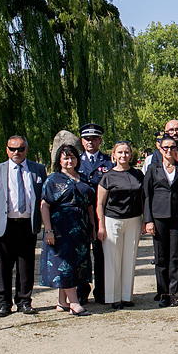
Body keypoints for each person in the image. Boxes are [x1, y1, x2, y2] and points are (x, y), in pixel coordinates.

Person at [0, 135, 46, 317]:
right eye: (12, 149)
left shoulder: (38, 170)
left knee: (25, 266)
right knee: (4, 267)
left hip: (27, 225)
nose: (16, 152)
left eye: (20, 149)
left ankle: (24, 301)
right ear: (7, 150)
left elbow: (42, 196)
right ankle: (4, 303)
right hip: (4, 226)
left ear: (27, 149)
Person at [40, 144, 97, 317]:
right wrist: (48, 230)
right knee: (65, 265)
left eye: (72, 157)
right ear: (59, 160)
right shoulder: (53, 179)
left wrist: (93, 227)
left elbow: (89, 205)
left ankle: (62, 301)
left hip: (81, 226)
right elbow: (44, 205)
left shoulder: (84, 178)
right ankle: (74, 303)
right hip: (61, 227)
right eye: (65, 157)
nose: (69, 161)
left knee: (78, 263)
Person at [143, 119, 178, 299]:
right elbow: (147, 195)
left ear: (177, 149)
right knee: (160, 257)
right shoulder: (153, 168)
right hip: (158, 217)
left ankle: (173, 291)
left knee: (176, 256)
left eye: (172, 147)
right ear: (160, 149)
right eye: (165, 148)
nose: (169, 151)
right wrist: (148, 220)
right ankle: (162, 290)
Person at [96, 141, 144, 309]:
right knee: (113, 259)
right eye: (120, 152)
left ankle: (126, 296)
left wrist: (145, 220)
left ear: (131, 155)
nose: (123, 155)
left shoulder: (138, 174)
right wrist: (101, 226)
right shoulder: (107, 176)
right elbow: (100, 204)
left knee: (130, 258)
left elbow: (144, 199)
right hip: (112, 220)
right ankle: (113, 297)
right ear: (113, 155)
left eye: (126, 152)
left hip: (134, 220)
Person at [77, 123, 112, 305]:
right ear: (82, 142)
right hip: (80, 216)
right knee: (81, 255)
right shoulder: (75, 161)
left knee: (101, 255)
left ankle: (102, 291)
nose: (90, 142)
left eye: (94, 139)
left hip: (101, 215)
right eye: (87, 139)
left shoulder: (108, 162)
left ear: (100, 140)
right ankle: (81, 291)